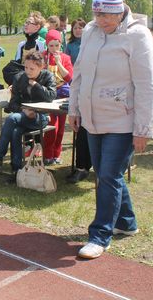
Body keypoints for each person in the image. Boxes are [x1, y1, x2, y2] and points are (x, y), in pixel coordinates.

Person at [68, 0, 153, 259]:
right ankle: (126, 223)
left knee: (107, 176)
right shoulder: (90, 33)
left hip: (124, 120)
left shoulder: (138, 36)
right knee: (108, 173)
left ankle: (100, 235)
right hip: (93, 118)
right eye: (97, 14)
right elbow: (80, 72)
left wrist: (144, 128)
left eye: (108, 15)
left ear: (121, 11)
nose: (102, 20)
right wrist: (75, 107)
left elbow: (148, 85)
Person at [0, 51, 57, 181]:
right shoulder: (19, 77)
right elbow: (13, 103)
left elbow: (51, 96)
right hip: (22, 116)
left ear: (41, 67)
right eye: (26, 67)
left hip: (40, 117)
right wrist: (23, 109)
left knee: (12, 119)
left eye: (32, 68)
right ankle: (17, 170)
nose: (28, 71)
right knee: (16, 132)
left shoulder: (48, 76)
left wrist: (37, 86)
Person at [63, 18, 93, 184]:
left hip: (108, 103)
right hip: (82, 94)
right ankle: (81, 168)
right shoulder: (75, 47)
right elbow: (76, 78)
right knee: (82, 132)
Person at [42, 29, 73, 165]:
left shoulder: (65, 58)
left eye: (57, 45)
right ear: (47, 46)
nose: (54, 48)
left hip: (62, 96)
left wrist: (59, 63)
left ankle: (57, 153)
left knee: (60, 129)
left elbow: (69, 77)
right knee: (51, 127)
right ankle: (47, 154)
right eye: (51, 45)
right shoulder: (42, 57)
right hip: (48, 96)